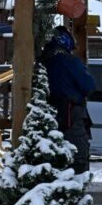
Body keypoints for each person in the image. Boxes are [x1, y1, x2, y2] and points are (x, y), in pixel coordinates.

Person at [39, 25, 96, 174]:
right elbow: (89, 85)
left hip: (46, 113)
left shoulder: (42, 61)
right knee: (77, 151)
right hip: (71, 113)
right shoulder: (69, 61)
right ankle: (76, 184)